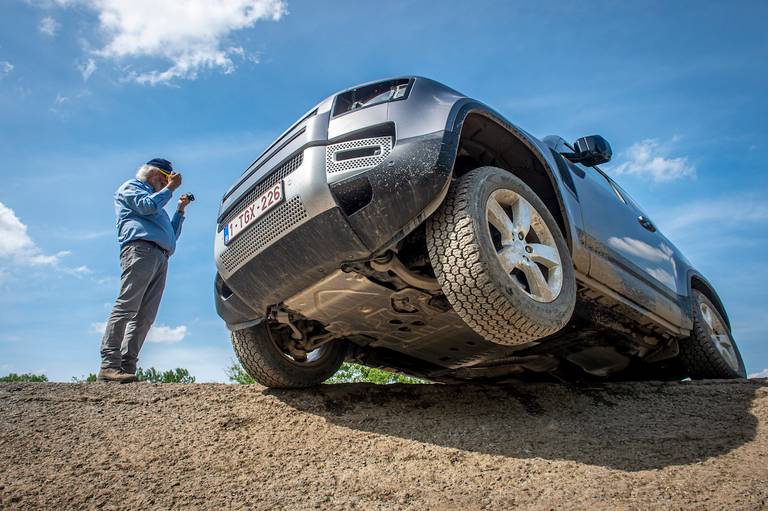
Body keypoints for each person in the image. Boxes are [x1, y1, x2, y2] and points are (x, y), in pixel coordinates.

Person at [98, 158, 192, 383]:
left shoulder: (158, 203)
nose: (166, 183)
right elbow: (145, 206)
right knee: (127, 307)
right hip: (140, 250)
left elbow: (171, 234)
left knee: (145, 316)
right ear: (154, 174)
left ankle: (126, 367)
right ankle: (109, 365)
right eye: (165, 178)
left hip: (160, 256)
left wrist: (179, 210)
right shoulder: (131, 188)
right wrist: (170, 189)